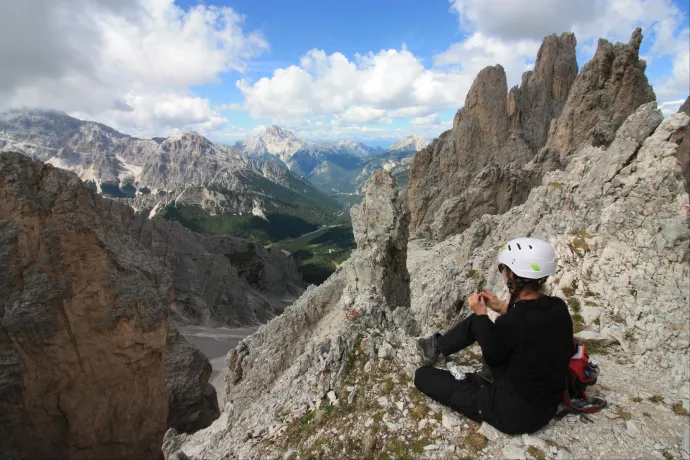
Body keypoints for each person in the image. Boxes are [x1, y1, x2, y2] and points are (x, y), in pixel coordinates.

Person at [414, 237, 574, 435]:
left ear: (514, 274)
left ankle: (437, 352)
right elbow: (529, 327)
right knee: (476, 322)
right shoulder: (558, 307)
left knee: (422, 376)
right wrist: (500, 306)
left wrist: (482, 315)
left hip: (514, 413)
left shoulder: (512, 323)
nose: (503, 273)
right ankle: (438, 345)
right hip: (548, 401)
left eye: (503, 269)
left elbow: (492, 356)